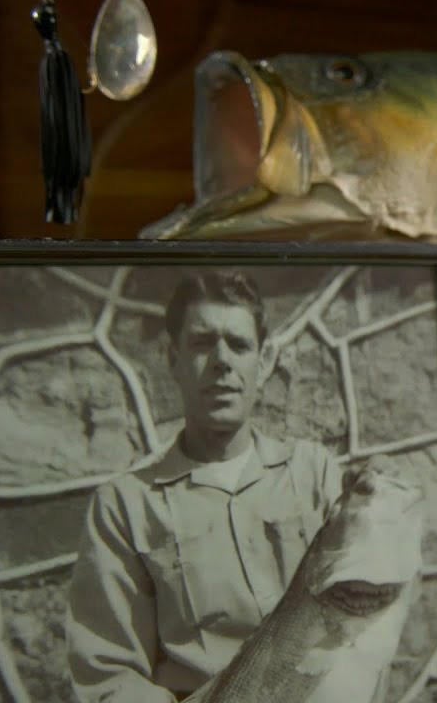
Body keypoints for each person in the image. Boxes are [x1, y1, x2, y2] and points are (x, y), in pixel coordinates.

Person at [66, 270, 348, 702]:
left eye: (238, 344)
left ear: (265, 359)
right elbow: (110, 677)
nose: (221, 361)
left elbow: (360, 621)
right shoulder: (125, 507)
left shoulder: (316, 475)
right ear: (172, 358)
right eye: (202, 343)